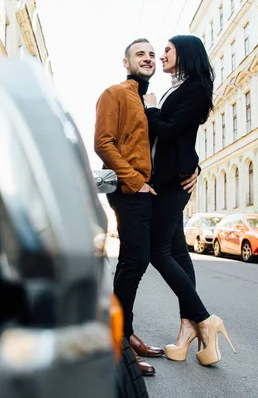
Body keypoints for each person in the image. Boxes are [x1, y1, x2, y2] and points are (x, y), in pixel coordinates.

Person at [94, 38, 198, 376]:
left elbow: (175, 140)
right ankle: (119, 346)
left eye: (153, 54)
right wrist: (135, 182)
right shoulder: (116, 94)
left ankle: (127, 335)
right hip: (129, 189)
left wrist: (195, 168)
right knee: (134, 260)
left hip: (152, 191)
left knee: (148, 257)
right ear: (126, 63)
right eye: (140, 54)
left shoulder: (150, 102)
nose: (149, 58)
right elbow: (103, 143)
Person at [143, 35, 236, 366]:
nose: (162, 54)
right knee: (179, 253)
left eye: (167, 49)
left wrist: (152, 107)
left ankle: (204, 319)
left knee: (158, 251)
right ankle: (189, 331)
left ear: (184, 52)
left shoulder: (195, 88)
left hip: (172, 182)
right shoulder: (176, 87)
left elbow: (169, 131)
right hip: (168, 177)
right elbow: (179, 138)